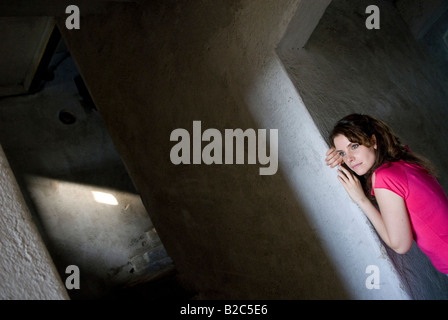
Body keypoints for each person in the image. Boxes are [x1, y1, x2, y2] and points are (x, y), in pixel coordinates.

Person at [325, 113, 448, 274]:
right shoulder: (404, 163)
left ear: (373, 142)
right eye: (342, 153)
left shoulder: (384, 177)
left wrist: (361, 199)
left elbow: (400, 245)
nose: (350, 158)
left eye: (354, 146)